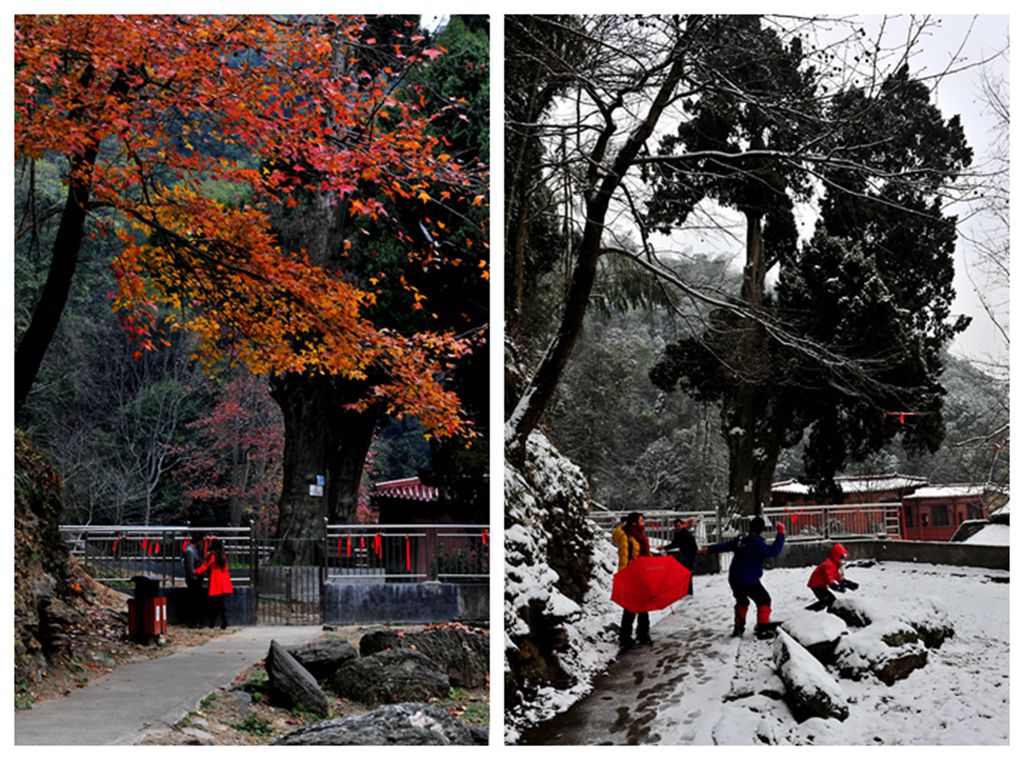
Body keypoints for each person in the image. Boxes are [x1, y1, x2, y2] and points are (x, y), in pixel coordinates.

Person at [701, 516, 785, 639]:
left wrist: (709, 549)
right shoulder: (757, 542)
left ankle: (738, 629)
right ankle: (762, 628)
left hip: (735, 578)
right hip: (749, 579)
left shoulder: (741, 539)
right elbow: (773, 551)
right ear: (761, 529)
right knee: (764, 600)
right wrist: (781, 534)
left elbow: (725, 545)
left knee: (742, 601)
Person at [612, 511, 652, 649]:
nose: (643, 523)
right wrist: (623, 576)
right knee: (630, 608)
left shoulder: (640, 536)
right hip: (631, 574)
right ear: (634, 522)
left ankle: (643, 634)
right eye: (641, 521)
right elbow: (624, 556)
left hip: (642, 574)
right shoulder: (626, 536)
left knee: (644, 605)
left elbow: (643, 554)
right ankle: (625, 637)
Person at [806, 543, 859, 611]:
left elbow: (838, 577)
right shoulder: (829, 565)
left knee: (828, 600)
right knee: (829, 600)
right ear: (836, 556)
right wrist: (837, 587)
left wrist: (849, 584)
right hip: (816, 585)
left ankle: (811, 611)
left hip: (820, 585)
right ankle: (808, 612)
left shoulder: (834, 565)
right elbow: (829, 580)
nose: (842, 560)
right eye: (841, 558)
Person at [196, 537, 234, 629]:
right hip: (223, 582)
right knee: (218, 604)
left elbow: (205, 566)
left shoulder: (212, 555)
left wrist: (196, 571)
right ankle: (218, 623)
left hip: (216, 582)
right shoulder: (222, 554)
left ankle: (215, 623)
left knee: (216, 604)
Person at [662, 518, 697, 596]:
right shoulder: (679, 533)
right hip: (685, 554)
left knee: (687, 573)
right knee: (685, 573)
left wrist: (665, 547)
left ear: (682, 525)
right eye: (676, 526)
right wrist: (664, 547)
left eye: (678, 526)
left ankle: (688, 591)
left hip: (689, 555)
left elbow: (678, 544)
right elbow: (675, 543)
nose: (677, 528)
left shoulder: (686, 534)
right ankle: (687, 591)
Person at [181, 532, 205, 628]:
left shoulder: (193, 550)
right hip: (193, 580)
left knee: (196, 601)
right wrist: (195, 577)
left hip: (195, 578)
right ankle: (193, 622)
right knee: (194, 601)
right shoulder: (189, 551)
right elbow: (190, 568)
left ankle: (195, 621)